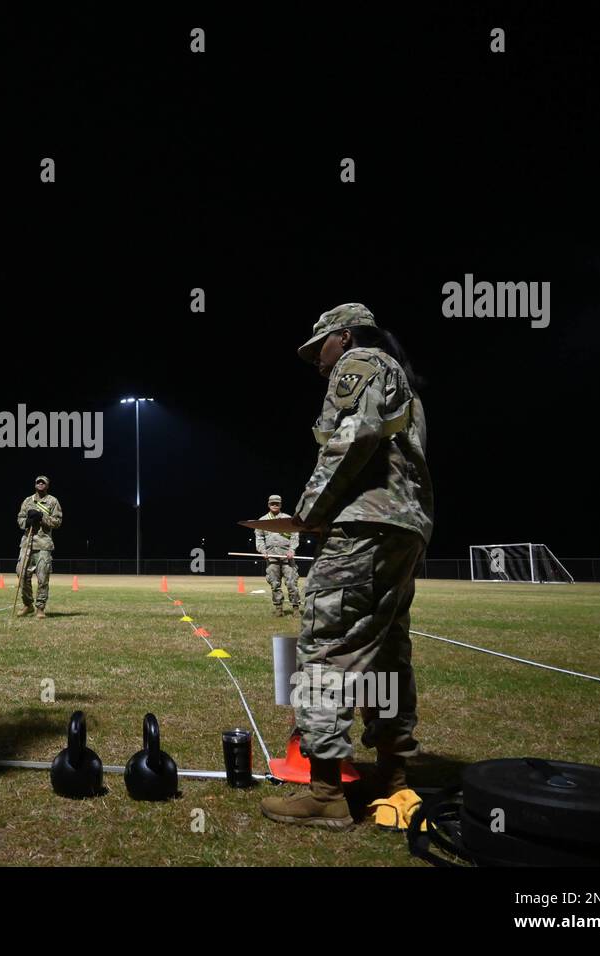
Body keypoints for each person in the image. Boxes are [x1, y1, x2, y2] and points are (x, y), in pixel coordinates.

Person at [260, 303, 434, 831]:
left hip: (363, 525)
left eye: (321, 348)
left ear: (347, 336)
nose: (318, 361)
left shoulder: (361, 362)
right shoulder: (402, 380)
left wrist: (310, 511)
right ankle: (395, 776)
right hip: (403, 527)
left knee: (325, 648)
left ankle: (325, 791)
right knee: (385, 651)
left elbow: (352, 438)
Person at [15, 476, 62, 619]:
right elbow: (20, 519)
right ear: (35, 485)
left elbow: (57, 522)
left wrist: (42, 517)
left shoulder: (53, 501)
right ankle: (27, 604)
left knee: (42, 577)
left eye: (43, 482)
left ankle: (40, 608)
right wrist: (28, 522)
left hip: (43, 544)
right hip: (27, 543)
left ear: (47, 485)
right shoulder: (28, 501)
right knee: (21, 574)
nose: (40, 484)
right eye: (38, 482)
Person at [255, 493, 301, 616]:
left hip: (287, 558)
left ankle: (295, 608)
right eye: (272, 503)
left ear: (280, 505)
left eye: (277, 503)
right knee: (275, 584)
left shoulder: (288, 519)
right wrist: (263, 551)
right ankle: (278, 608)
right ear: (269, 505)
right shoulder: (262, 521)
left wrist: (292, 550)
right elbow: (259, 538)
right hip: (271, 558)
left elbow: (295, 536)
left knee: (292, 583)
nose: (275, 505)